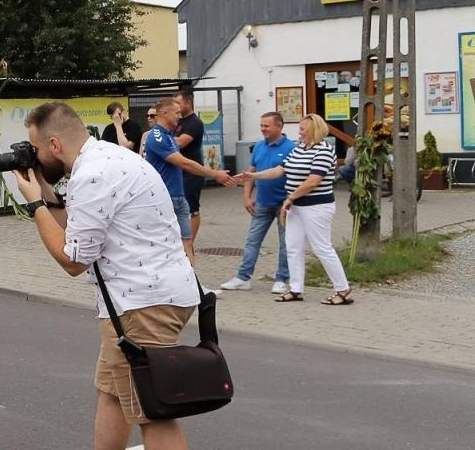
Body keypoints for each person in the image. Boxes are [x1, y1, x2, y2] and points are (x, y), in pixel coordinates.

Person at [14, 101, 199, 450]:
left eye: (36, 149)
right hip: (136, 301)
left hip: (143, 303)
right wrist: (48, 193)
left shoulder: (94, 175)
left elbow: (73, 259)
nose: (34, 157)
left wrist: (35, 202)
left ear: (55, 144)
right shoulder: (106, 161)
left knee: (155, 413)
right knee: (114, 393)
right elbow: (81, 228)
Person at [246, 114, 353, 305]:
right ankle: (296, 288)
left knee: (322, 248)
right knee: (293, 247)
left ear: (313, 130)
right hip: (296, 207)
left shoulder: (324, 151)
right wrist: (252, 176)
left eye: (303, 129)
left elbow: (313, 180)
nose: (300, 132)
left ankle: (343, 289)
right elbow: (280, 170)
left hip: (317, 207)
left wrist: (290, 198)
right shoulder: (299, 149)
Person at [143, 98, 234, 262]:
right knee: (166, 246)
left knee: (186, 243)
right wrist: (215, 174)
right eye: (176, 113)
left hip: (178, 198)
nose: (180, 116)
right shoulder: (156, 136)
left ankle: (193, 285)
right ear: (164, 113)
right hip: (164, 199)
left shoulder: (169, 135)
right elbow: (183, 162)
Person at [219, 112, 295, 295]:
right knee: (252, 241)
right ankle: (243, 278)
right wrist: (246, 197)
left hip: (284, 204)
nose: (263, 129)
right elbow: (250, 174)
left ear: (279, 126)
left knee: (286, 243)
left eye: (267, 126)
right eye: (261, 125)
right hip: (262, 203)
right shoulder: (259, 146)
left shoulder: (291, 148)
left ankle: (282, 279)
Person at [173, 91, 207, 243]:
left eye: (178, 103)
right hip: (178, 172)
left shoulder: (195, 123)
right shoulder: (178, 121)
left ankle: (189, 243)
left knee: (191, 208)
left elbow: (180, 142)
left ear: (187, 103)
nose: (176, 107)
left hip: (192, 173)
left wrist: (161, 137)